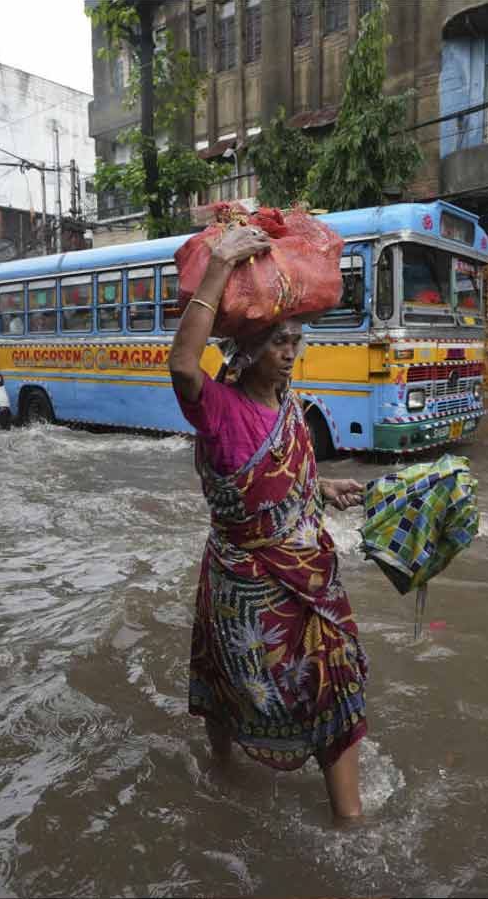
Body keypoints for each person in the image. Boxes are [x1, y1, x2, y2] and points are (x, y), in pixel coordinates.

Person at [169, 225, 369, 820]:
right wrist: (220, 265)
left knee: (335, 674)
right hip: (245, 585)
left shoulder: (288, 405)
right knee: (231, 682)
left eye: (296, 340)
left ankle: (348, 817)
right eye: (280, 340)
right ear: (249, 349)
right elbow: (183, 365)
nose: (291, 351)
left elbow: (281, 472)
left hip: (306, 578)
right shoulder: (219, 409)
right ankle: (224, 779)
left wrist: (323, 487)